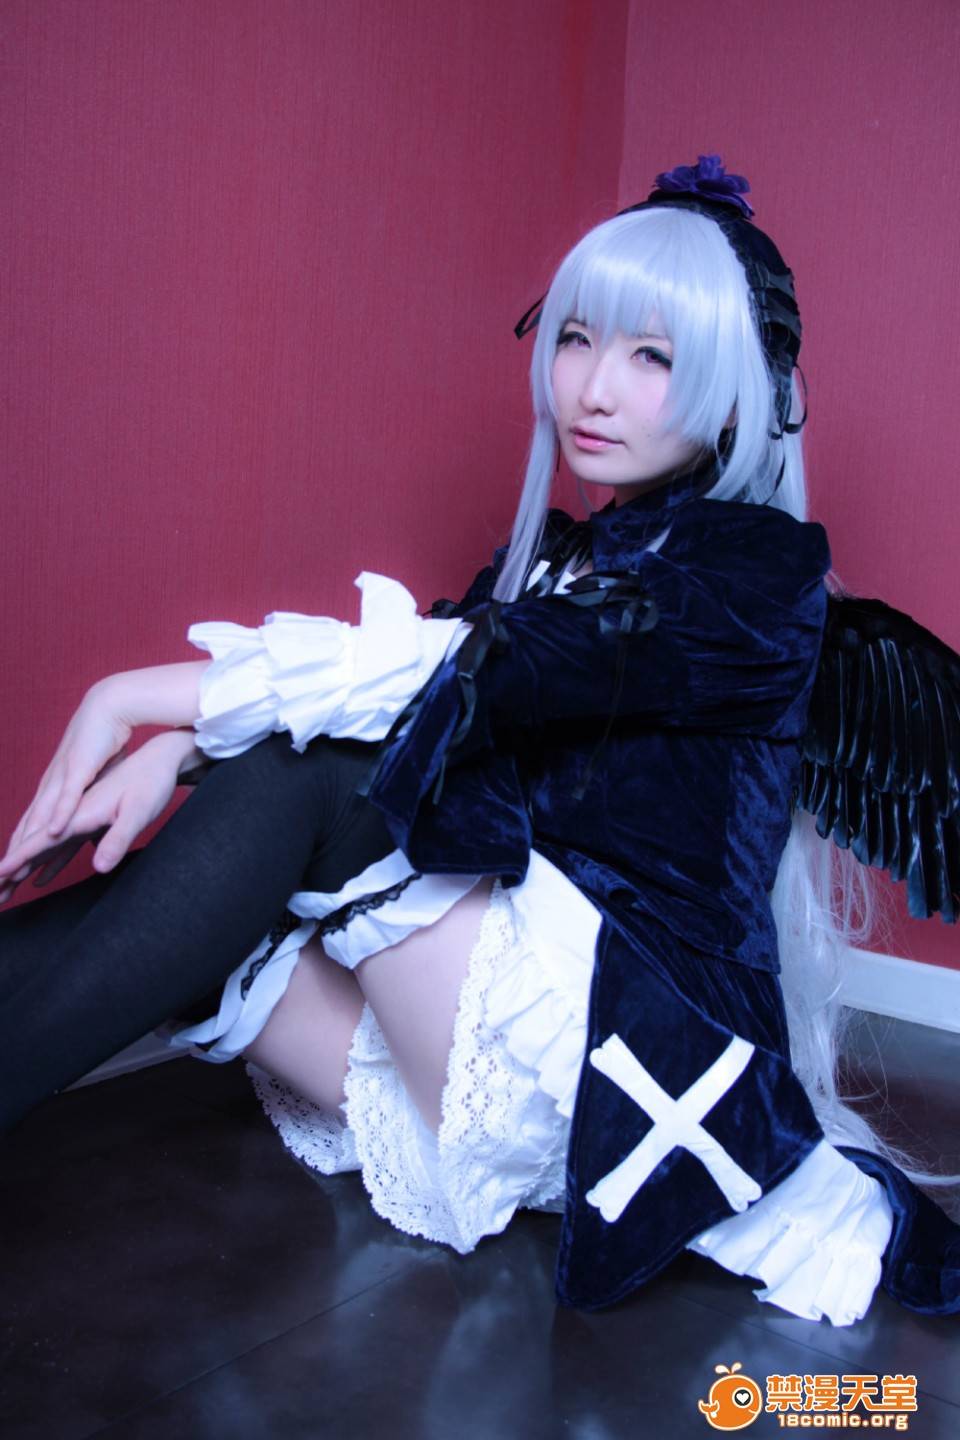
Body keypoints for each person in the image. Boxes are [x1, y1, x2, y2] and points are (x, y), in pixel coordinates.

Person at [1, 157, 957, 1326]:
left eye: (652, 357)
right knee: (204, 901)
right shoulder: (563, 559)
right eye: (576, 339)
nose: (592, 388)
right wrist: (185, 753)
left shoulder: (756, 577)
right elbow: (424, 686)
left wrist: (138, 700)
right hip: (483, 1050)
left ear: (730, 396)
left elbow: (469, 672)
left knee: (318, 774)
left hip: (617, 1053)